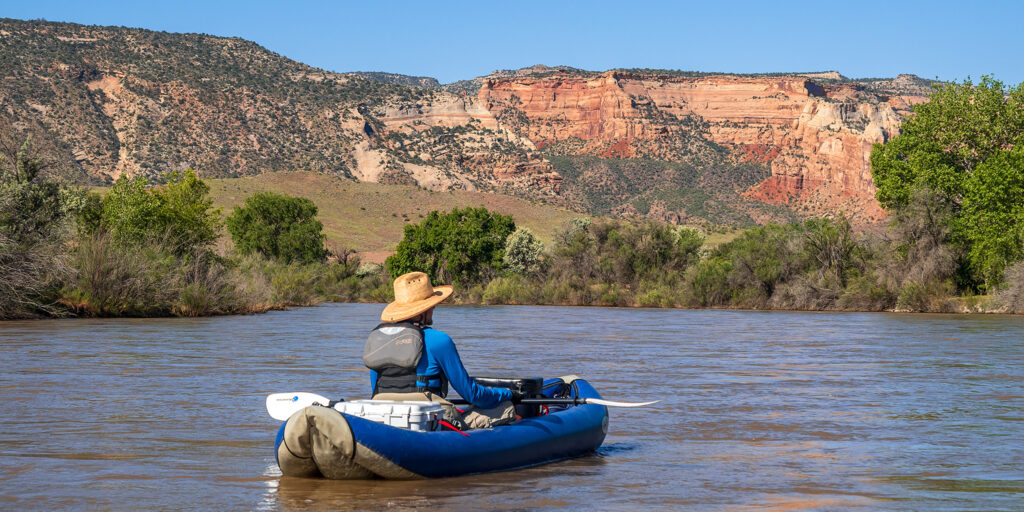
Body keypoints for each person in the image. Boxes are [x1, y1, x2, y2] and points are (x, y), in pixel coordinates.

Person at [363, 271, 517, 429]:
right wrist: (507, 393)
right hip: (428, 421)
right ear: (422, 311)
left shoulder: (378, 341)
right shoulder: (439, 340)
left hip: (385, 417)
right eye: (431, 305)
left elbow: (376, 389)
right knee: (505, 407)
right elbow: (470, 393)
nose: (434, 307)